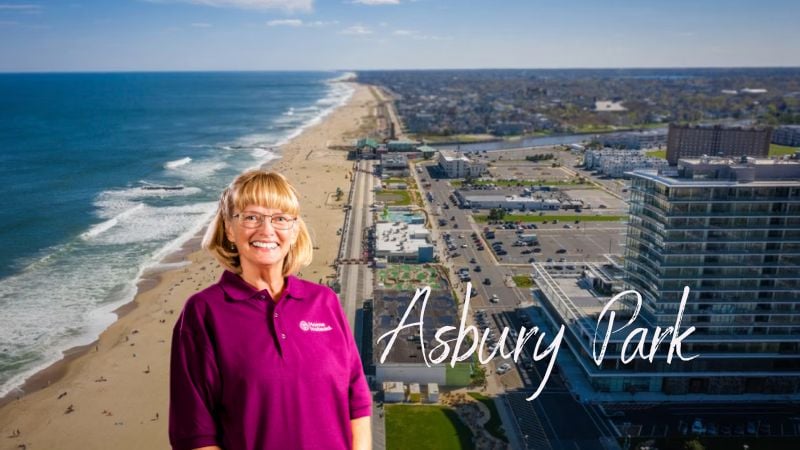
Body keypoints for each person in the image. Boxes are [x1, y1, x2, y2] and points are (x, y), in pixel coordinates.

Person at [169, 170, 372, 450]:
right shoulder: (204, 312)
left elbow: (357, 401)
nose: (267, 230)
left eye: (280, 219)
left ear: (294, 228)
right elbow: (194, 434)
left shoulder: (324, 301)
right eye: (251, 217)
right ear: (229, 227)